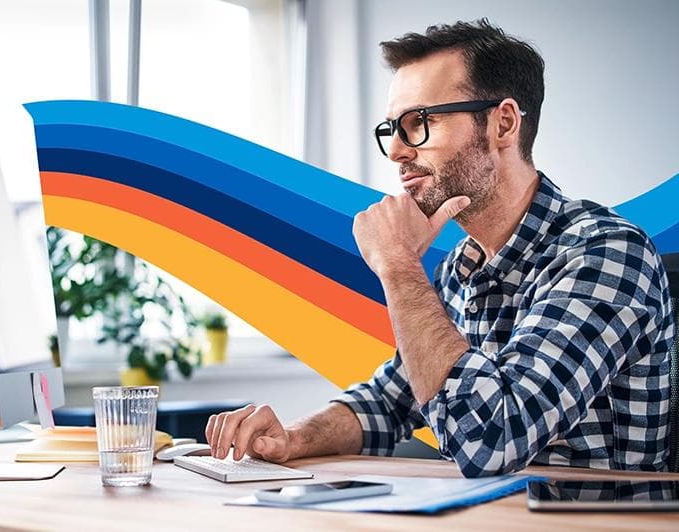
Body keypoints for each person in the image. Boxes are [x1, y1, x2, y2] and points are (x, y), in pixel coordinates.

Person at [205, 19, 675, 477]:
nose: (396, 151)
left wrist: (396, 263)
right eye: (393, 127)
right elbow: (390, 402)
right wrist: (294, 437)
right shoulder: (460, 269)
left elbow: (492, 439)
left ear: (503, 124)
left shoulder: (605, 253)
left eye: (420, 122)